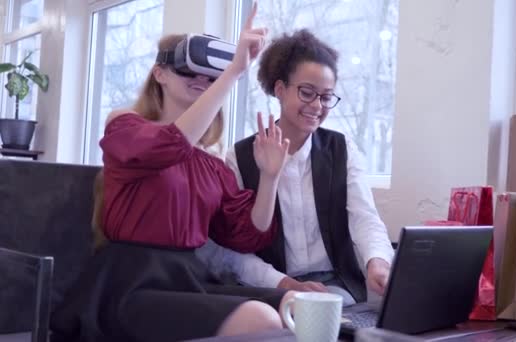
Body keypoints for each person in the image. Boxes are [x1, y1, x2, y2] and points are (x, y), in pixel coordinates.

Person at [50, 5, 295, 342]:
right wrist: (232, 73)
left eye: (210, 77)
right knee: (260, 317)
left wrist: (270, 177)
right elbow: (170, 143)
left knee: (296, 305)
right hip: (128, 285)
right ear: (159, 74)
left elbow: (247, 234)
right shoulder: (125, 127)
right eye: (187, 72)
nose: (201, 82)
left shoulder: (210, 163)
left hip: (186, 278)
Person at [198, 29, 394, 307]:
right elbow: (229, 250)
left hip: (338, 288)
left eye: (326, 97)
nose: (317, 105)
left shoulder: (342, 148)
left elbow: (365, 218)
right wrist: (283, 283)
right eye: (307, 92)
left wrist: (377, 262)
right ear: (280, 90)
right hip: (270, 288)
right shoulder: (239, 158)